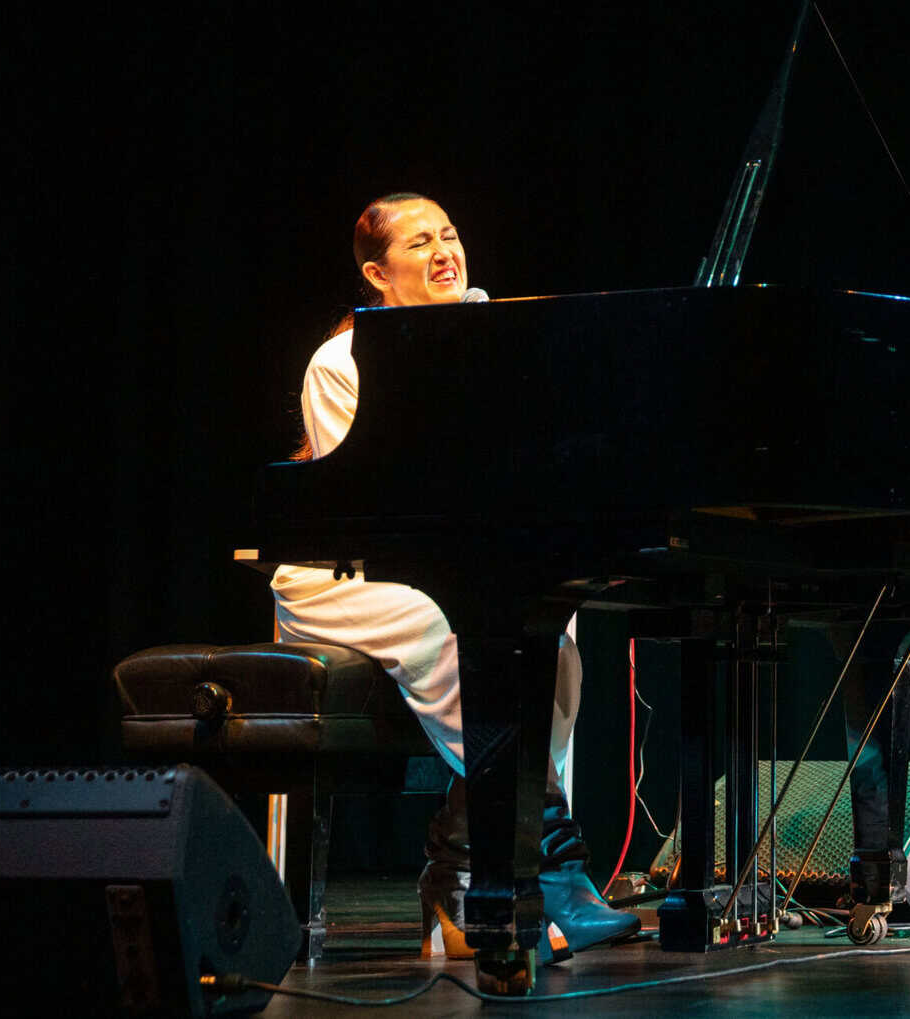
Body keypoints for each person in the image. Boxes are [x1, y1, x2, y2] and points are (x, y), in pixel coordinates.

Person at [269, 191, 636, 960]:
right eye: (419, 243)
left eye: (450, 235)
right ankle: (547, 865)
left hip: (454, 562)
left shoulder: (491, 348)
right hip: (346, 576)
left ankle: (464, 873)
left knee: (552, 622)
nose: (444, 252)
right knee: (456, 622)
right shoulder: (340, 364)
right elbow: (371, 509)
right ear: (378, 273)